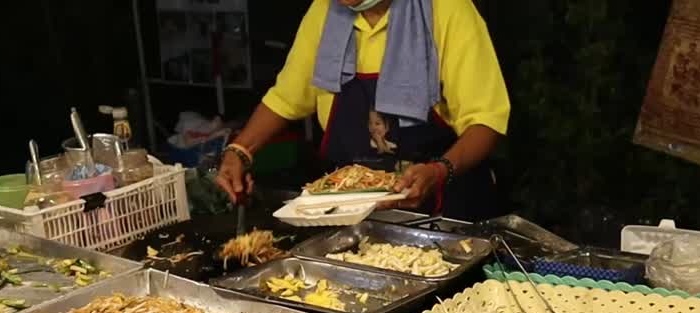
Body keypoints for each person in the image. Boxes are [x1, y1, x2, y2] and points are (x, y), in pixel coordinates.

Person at [215, 0, 510, 220]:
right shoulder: (325, 12)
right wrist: (240, 150)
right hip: (350, 215)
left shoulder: (447, 10)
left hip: (444, 210)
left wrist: (438, 171)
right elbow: (286, 98)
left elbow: (486, 121)